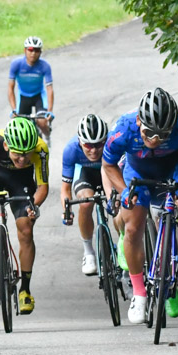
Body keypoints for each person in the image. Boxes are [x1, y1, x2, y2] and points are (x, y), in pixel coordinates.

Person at [102, 87, 178, 325]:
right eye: (148, 133)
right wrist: (124, 191)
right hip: (138, 171)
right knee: (133, 226)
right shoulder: (123, 128)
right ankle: (139, 294)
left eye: (162, 135)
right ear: (138, 121)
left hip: (177, 166)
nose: (154, 140)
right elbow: (108, 163)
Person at [0, 116, 49, 314]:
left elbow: (42, 187)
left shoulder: (40, 149)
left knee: (26, 228)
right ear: (6, 146)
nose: (22, 160)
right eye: (17, 155)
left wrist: (34, 205)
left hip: (20, 183)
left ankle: (25, 289)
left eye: (27, 155)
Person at [58, 114, 111, 276]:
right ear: (80, 141)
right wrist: (66, 210)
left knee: (119, 204)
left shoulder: (113, 144)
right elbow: (65, 189)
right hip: (85, 175)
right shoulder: (71, 149)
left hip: (108, 172)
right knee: (86, 203)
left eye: (98, 144)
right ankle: (88, 253)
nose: (94, 150)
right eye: (88, 145)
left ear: (105, 140)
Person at [7, 36, 54, 137]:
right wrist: (14, 109)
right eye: (30, 49)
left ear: (40, 52)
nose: (33, 53)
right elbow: (10, 88)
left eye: (37, 50)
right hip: (23, 96)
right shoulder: (16, 64)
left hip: (38, 96)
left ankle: (47, 137)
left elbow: (49, 90)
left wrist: (50, 111)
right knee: (19, 125)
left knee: (41, 121)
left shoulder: (45, 66)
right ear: (25, 50)